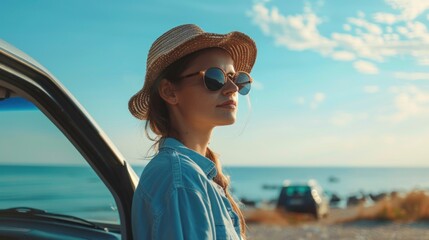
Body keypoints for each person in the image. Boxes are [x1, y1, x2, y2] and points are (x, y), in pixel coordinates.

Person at [129, 24, 257, 240]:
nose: (233, 89)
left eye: (236, 78)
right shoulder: (180, 180)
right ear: (170, 92)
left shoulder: (189, 175)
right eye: (215, 78)